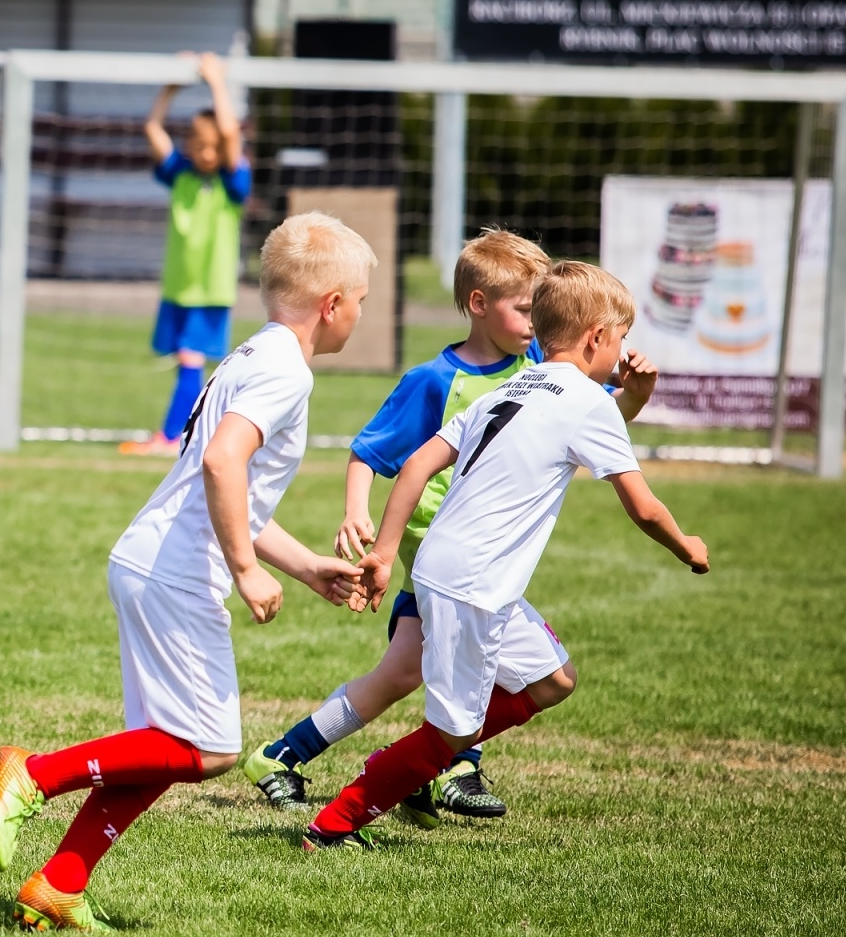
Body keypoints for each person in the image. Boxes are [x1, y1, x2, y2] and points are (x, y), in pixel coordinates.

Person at [0, 212, 372, 931]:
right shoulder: (286, 371)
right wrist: (246, 569)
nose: (362, 315)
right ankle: (32, 774)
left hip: (152, 562)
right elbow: (222, 463)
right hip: (176, 575)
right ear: (333, 303)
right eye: (364, 300)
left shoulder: (250, 355)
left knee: (160, 750)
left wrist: (306, 563)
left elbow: (220, 484)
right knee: (210, 748)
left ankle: (60, 883)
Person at [240, 230, 660, 825]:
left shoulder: (538, 369)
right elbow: (370, 452)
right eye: (524, 308)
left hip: (474, 554)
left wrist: (634, 397)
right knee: (450, 659)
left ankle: (324, 757)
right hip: (441, 553)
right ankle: (436, 768)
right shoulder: (435, 380)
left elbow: (597, 431)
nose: (535, 322)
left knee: (410, 670)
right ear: (479, 304)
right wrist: (358, 512)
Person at [304, 261, 709, 851]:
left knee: (553, 679)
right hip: (473, 583)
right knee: (453, 733)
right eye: (620, 339)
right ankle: (335, 823)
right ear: (597, 337)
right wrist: (688, 546)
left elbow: (417, 464)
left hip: (455, 570)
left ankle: (419, 760)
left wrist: (387, 554)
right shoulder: (586, 401)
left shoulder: (512, 388)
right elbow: (644, 508)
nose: (622, 353)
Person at [121, 52, 252, 457]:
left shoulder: (234, 182)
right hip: (178, 287)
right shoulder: (181, 172)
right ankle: (187, 434)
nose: (206, 153)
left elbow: (230, 134)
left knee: (191, 360)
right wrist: (173, 87)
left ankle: (172, 437)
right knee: (187, 362)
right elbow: (152, 128)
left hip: (209, 291)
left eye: (213, 146)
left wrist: (216, 81)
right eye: (198, 144)